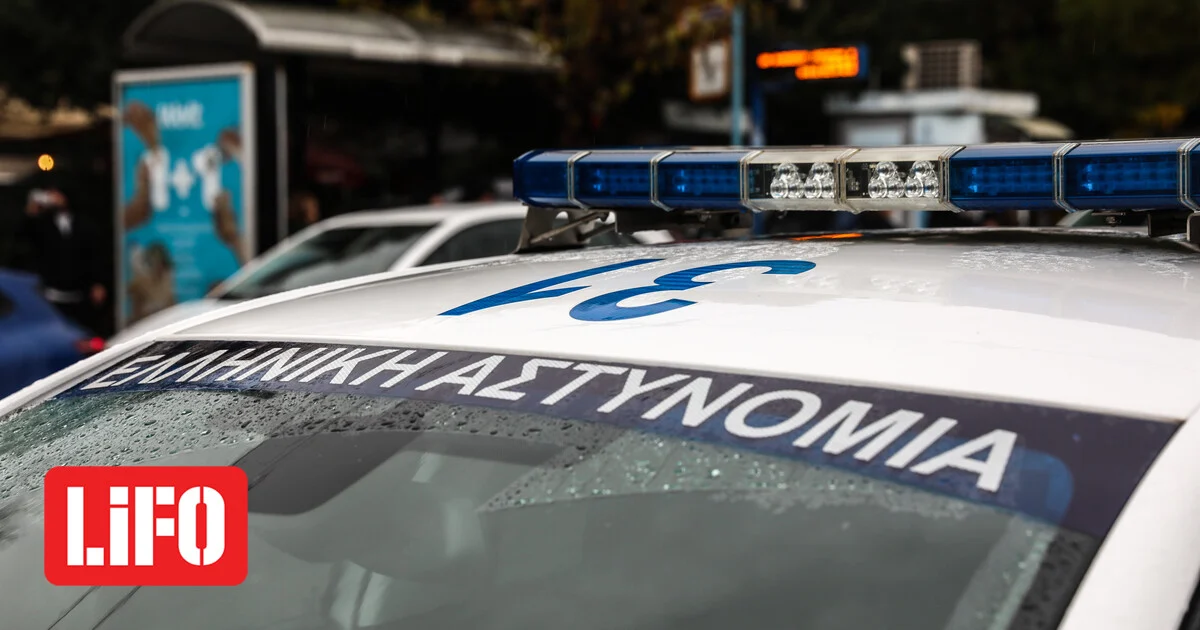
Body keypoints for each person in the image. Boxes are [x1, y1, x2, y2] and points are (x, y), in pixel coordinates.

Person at [16, 188, 106, 333]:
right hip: (51, 291)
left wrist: (98, 282)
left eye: (57, 195)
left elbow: (95, 254)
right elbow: (22, 238)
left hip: (80, 292)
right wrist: (33, 210)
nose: (54, 199)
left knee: (82, 332)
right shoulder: (41, 223)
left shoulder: (84, 224)